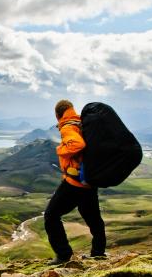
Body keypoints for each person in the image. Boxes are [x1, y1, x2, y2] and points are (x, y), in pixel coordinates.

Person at [45, 99, 106, 265]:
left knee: (51, 216)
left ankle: (63, 254)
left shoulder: (67, 127)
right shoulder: (81, 123)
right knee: (94, 219)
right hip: (89, 181)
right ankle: (98, 253)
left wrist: (60, 149)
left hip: (75, 182)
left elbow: (77, 145)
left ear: (58, 115)